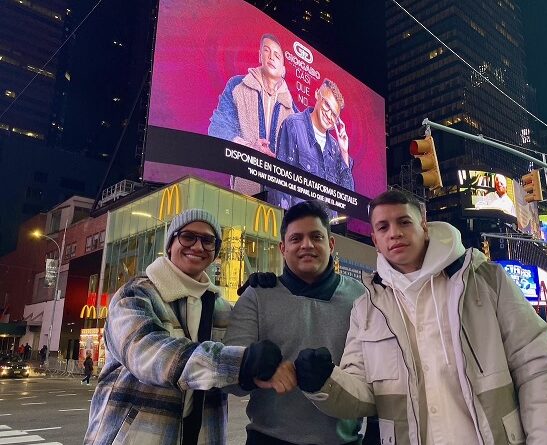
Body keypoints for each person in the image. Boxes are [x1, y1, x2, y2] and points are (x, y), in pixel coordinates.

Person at [294, 189, 547, 444]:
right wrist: (323, 382)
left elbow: (538, 369)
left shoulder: (488, 281)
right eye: (383, 227)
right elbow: (364, 393)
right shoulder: (366, 308)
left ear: (424, 227)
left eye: (404, 222)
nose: (394, 233)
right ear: (375, 240)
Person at [84, 209, 283, 445]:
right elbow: (148, 354)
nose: (198, 247)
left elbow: (245, 368)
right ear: (170, 244)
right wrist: (240, 362)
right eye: (188, 237)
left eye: (208, 240)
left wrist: (264, 299)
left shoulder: (221, 308)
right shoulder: (135, 294)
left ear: (215, 251)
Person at [224, 200, 366, 445]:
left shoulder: (361, 298)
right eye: (296, 239)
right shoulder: (257, 295)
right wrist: (250, 365)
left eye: (316, 237)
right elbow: (228, 379)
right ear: (282, 247)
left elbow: (377, 373)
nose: (307, 245)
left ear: (331, 244)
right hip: (268, 439)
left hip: (344, 441)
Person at [208, 33, 298, 196]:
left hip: (280, 198)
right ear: (260, 55)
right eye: (267, 51)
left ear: (284, 69)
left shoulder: (292, 110)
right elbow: (217, 128)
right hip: (244, 189)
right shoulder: (237, 86)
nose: (271, 57)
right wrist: (249, 148)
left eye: (277, 55)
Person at [273, 79, 354, 210]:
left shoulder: (335, 148)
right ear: (317, 95)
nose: (329, 115)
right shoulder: (293, 125)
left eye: (334, 115)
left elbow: (347, 201)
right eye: (327, 105)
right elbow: (281, 185)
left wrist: (344, 152)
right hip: (301, 222)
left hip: (327, 227)